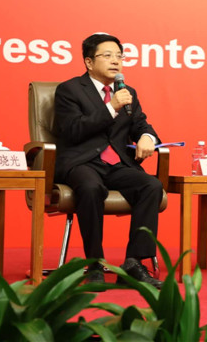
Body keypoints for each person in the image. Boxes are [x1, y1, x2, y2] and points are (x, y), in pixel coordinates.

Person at [54, 33, 163, 287]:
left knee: (151, 185)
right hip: (82, 162)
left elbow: (141, 124)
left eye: (119, 56)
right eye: (107, 56)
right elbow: (73, 130)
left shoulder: (127, 92)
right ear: (89, 62)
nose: (116, 61)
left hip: (116, 164)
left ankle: (134, 263)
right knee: (91, 188)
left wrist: (147, 137)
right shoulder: (69, 90)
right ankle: (94, 263)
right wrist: (111, 107)